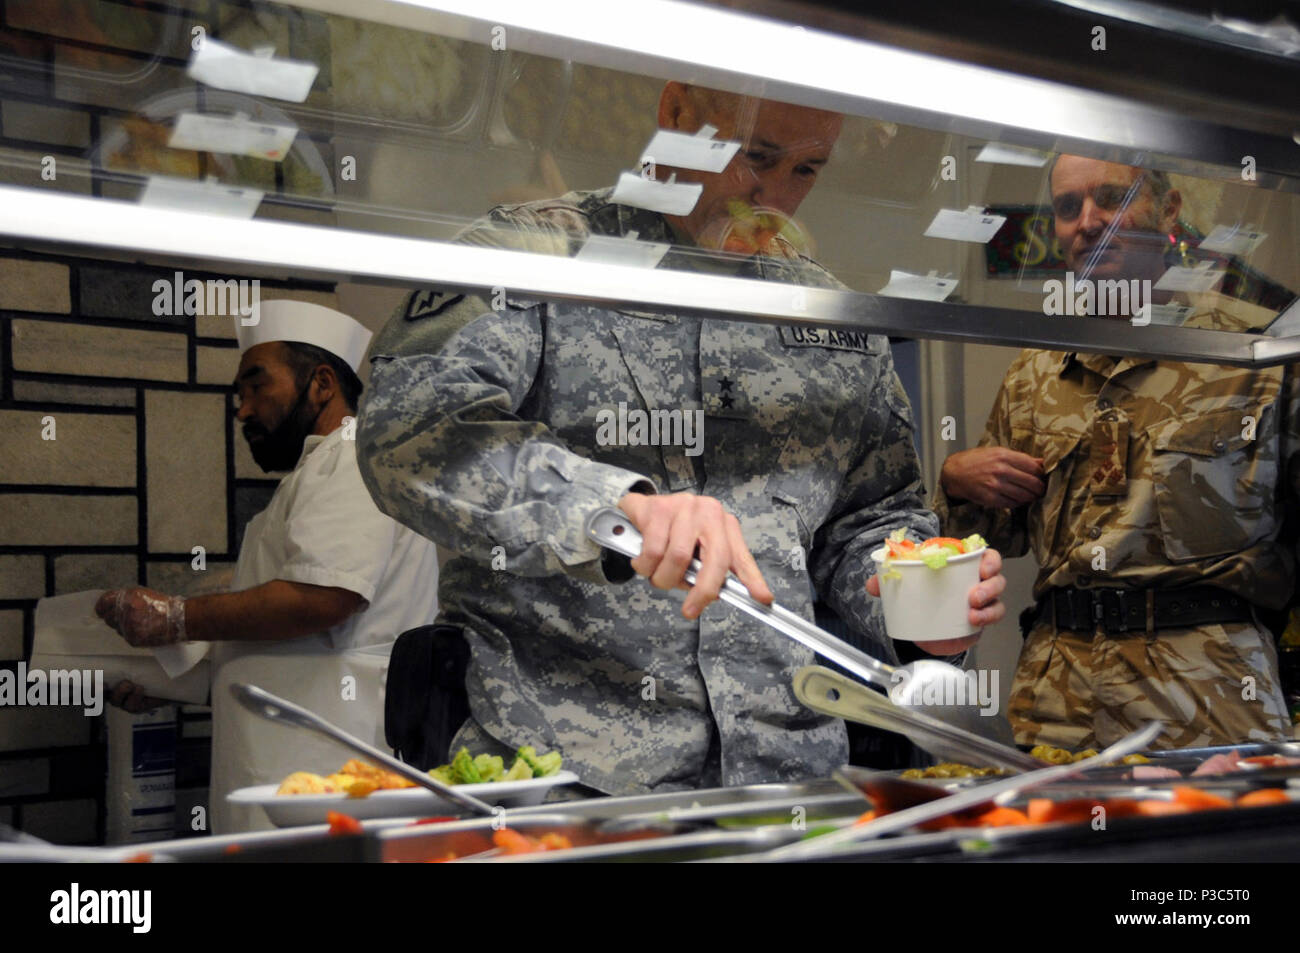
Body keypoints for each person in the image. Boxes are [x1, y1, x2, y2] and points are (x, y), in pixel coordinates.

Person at [355, 83, 1007, 796]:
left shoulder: (828, 315)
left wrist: (911, 604)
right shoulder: (538, 252)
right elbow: (409, 429)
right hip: (564, 781)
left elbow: (872, 517)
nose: (775, 195)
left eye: (807, 169)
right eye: (756, 156)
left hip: (788, 782)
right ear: (677, 114)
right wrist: (614, 509)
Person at [934, 154, 1295, 750]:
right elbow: (990, 542)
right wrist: (954, 484)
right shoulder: (1036, 370)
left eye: (1112, 199)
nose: (1089, 221)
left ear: (1169, 209)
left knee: (1213, 841)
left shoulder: (1254, 353)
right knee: (1046, 839)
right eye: (1068, 208)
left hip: (1209, 685)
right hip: (1057, 685)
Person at [96, 300, 439, 832]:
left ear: (322, 383)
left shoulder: (353, 460)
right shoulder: (307, 478)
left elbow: (322, 600)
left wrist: (176, 617)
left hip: (330, 771)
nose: (243, 410)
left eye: (257, 386)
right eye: (239, 394)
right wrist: (174, 681)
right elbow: (281, 645)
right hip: (285, 766)